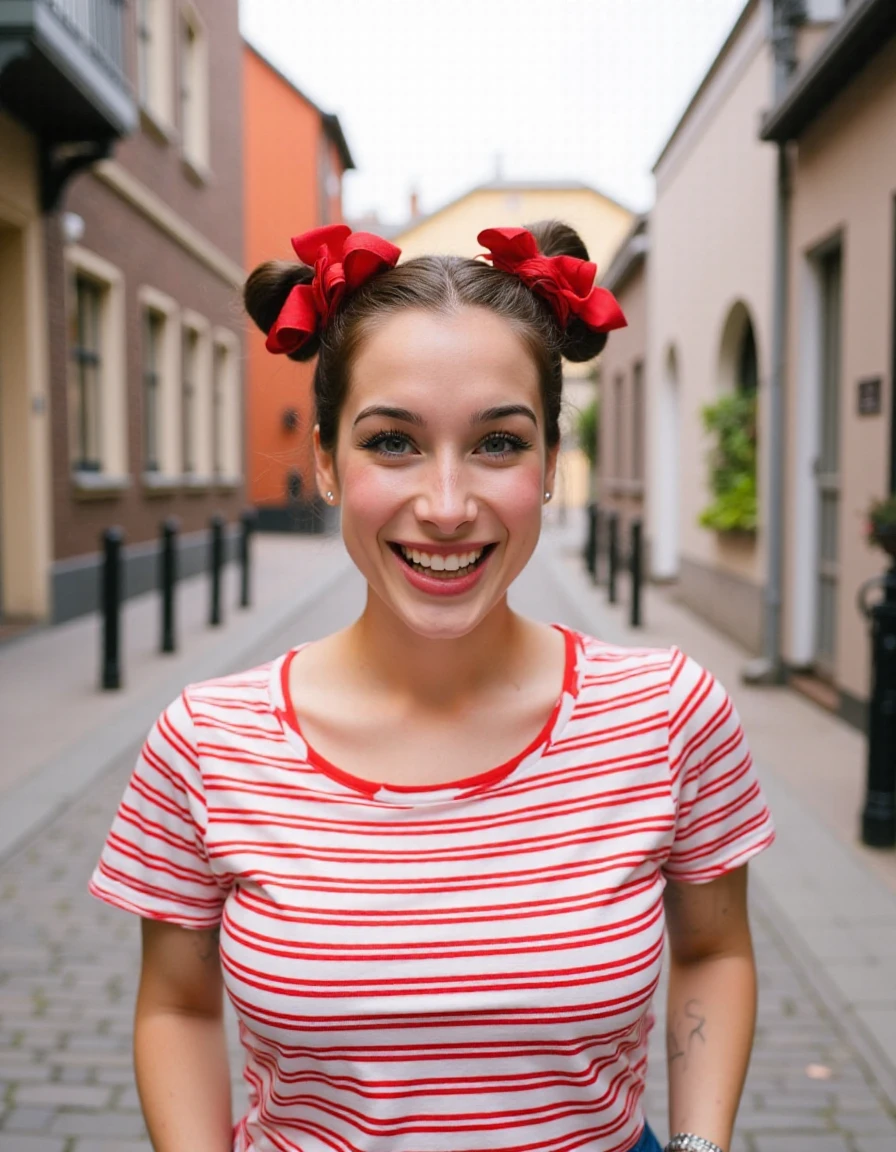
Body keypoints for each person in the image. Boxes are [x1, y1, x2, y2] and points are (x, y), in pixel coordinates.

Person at [89, 219, 775, 1152]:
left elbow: (713, 950)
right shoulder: (208, 744)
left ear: (545, 468)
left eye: (498, 443)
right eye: (394, 442)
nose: (447, 507)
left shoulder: (667, 717)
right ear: (327, 462)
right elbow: (176, 1008)